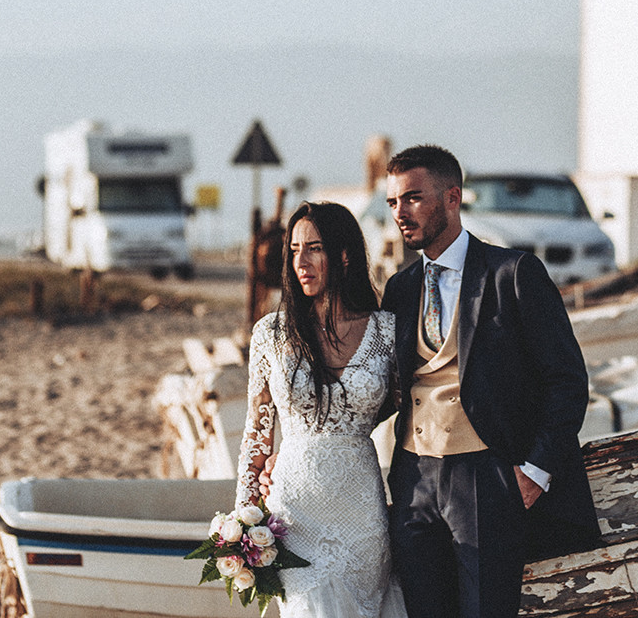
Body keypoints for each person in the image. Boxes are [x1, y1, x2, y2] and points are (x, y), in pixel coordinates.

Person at [382, 145, 600, 618]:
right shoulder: (399, 289)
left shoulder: (513, 274)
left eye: (413, 198)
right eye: (393, 202)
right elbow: (382, 388)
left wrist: (535, 472)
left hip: (484, 477)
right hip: (414, 479)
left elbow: (567, 382)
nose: (401, 213)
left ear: (453, 197)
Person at [235, 202, 407, 618]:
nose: (301, 262)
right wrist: (242, 524)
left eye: (314, 248)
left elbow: (400, 406)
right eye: (294, 250)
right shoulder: (271, 334)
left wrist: (337, 433)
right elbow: (257, 432)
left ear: (344, 255)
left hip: (361, 513)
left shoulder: (387, 330)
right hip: (294, 514)